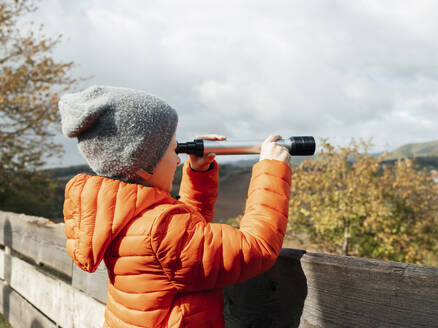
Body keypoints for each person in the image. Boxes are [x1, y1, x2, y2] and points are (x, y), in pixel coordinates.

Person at [59, 85, 291, 328]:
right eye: (172, 150)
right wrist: (271, 169)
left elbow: (187, 241)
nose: (178, 158)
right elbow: (256, 249)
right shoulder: (159, 231)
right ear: (143, 166)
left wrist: (198, 174)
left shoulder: (119, 216)